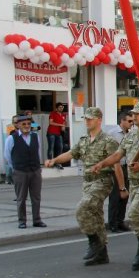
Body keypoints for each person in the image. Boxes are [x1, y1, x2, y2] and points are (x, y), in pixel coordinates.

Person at [45, 107, 125, 265]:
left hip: (102, 180)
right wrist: (54, 160)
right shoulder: (83, 140)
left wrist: (122, 188)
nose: (87, 121)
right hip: (87, 182)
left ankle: (93, 241)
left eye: (90, 118)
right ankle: (101, 253)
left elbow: (116, 163)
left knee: (83, 208)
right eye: (86, 119)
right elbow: (70, 154)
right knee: (95, 215)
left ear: (99, 120)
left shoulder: (108, 141)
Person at [92, 102, 139, 271]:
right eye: (133, 114)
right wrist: (102, 164)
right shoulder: (130, 135)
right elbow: (118, 154)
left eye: (138, 114)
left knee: (134, 212)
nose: (134, 116)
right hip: (135, 182)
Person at [4, 114, 46, 229]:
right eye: (23, 124)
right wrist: (16, 168)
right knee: (21, 198)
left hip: (35, 170)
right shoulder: (11, 138)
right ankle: (22, 221)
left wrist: (38, 166)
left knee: (36, 197)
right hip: (20, 171)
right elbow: (7, 156)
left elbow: (38, 152)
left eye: (28, 124)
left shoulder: (35, 136)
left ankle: (37, 220)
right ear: (17, 125)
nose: (27, 126)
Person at [106, 110, 133, 232]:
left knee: (125, 195)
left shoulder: (131, 134)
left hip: (127, 167)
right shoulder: (113, 133)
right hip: (116, 168)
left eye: (132, 121)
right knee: (116, 196)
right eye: (129, 121)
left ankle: (120, 221)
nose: (132, 123)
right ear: (122, 121)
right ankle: (112, 223)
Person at [46, 102, 67, 168]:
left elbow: (63, 123)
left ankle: (57, 162)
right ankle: (50, 162)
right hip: (51, 132)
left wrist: (63, 127)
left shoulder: (64, 115)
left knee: (60, 148)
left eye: (62, 107)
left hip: (59, 133)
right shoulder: (53, 113)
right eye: (60, 107)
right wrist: (61, 125)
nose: (61, 108)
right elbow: (51, 122)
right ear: (56, 108)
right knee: (51, 148)